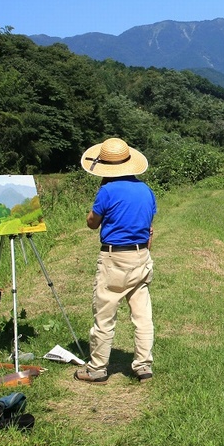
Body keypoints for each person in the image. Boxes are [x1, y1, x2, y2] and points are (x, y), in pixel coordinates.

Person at [74, 137, 156, 384]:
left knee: (105, 314)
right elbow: (150, 229)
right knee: (142, 315)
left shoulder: (106, 191)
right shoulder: (146, 190)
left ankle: (97, 369)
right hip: (141, 255)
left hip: (114, 257)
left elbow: (92, 223)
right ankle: (143, 366)